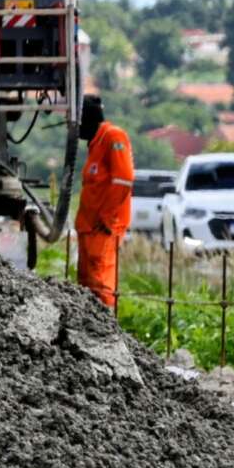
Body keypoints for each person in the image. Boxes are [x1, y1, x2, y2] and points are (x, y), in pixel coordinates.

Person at [72, 93, 133, 309]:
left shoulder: (113, 137)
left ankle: (106, 324)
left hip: (103, 228)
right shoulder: (95, 144)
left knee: (101, 284)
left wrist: (107, 219)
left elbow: (124, 179)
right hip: (89, 228)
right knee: (87, 284)